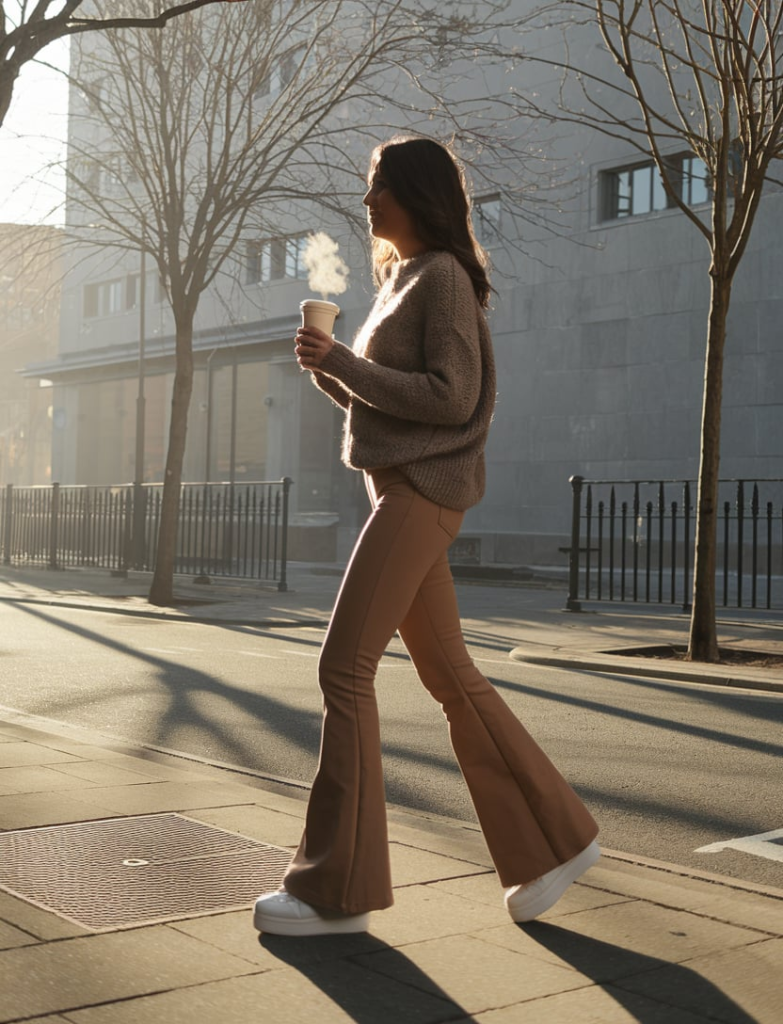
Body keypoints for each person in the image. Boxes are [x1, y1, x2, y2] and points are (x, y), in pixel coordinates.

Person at [254, 136, 599, 938]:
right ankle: (556, 843)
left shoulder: (439, 277)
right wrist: (333, 370)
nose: (368, 201)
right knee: (453, 679)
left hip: (416, 499)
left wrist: (344, 360)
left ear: (416, 193)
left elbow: (450, 399)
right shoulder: (402, 279)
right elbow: (397, 415)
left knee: (343, 669)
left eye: (380, 187)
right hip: (406, 490)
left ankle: (333, 892)